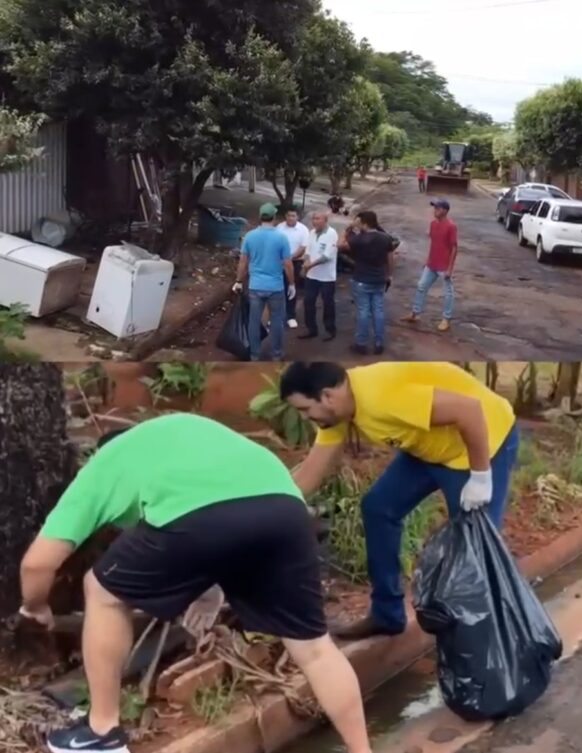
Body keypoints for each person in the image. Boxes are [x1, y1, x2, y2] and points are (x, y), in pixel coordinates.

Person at [19, 414, 372, 753]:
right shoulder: (183, 435)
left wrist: (35, 607)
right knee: (315, 649)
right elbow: (224, 518)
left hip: (201, 516)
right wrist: (206, 590)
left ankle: (101, 732)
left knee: (103, 591)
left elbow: (38, 564)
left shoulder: (104, 466)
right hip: (285, 508)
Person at [280, 361, 519, 641]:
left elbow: (469, 410)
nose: (307, 417)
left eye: (305, 409)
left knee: (475, 542)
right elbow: (310, 473)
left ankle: (489, 638)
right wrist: (270, 508)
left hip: (480, 445)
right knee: (379, 508)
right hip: (428, 450)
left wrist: (480, 475)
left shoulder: (382, 396)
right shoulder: (337, 411)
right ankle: (387, 615)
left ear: (327, 396)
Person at [233, 203, 295, 361]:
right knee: (277, 321)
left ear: (260, 217)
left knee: (254, 321)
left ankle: (255, 354)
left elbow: (243, 262)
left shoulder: (250, 236)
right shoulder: (281, 237)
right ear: (274, 217)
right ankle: (276, 354)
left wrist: (239, 281)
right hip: (275, 287)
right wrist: (292, 283)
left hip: (256, 286)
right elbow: (288, 264)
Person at [338, 210, 394, 356]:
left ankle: (361, 344)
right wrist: (389, 275)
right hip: (379, 279)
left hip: (362, 279)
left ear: (363, 222)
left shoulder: (359, 239)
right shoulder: (385, 238)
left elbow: (340, 245)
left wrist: (347, 229)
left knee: (363, 311)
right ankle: (379, 343)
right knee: (378, 311)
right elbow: (390, 258)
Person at [402, 198, 458, 333]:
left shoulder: (451, 226)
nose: (435, 211)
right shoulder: (433, 224)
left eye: (438, 208)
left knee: (447, 293)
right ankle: (415, 313)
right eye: (435, 208)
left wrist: (450, 268)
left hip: (444, 266)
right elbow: (434, 244)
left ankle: (446, 319)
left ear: (444, 211)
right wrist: (427, 260)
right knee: (421, 286)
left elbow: (454, 248)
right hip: (431, 264)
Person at [299, 211, 339, 342]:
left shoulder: (332, 234)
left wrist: (310, 265)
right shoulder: (311, 233)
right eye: (313, 219)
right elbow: (307, 251)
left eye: (317, 219)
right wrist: (306, 261)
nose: (314, 221)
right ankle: (311, 329)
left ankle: (330, 329)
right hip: (312, 276)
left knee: (328, 303)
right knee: (308, 302)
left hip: (327, 277)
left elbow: (327, 256)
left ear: (325, 220)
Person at [276, 208, 310, 329]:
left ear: (297, 217)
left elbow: (303, 246)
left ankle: (291, 316)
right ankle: (276, 316)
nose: (291, 218)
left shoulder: (303, 230)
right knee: (278, 289)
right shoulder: (279, 227)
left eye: (293, 216)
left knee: (291, 288)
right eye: (289, 215)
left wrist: (290, 257)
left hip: (294, 262)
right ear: (285, 216)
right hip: (279, 262)